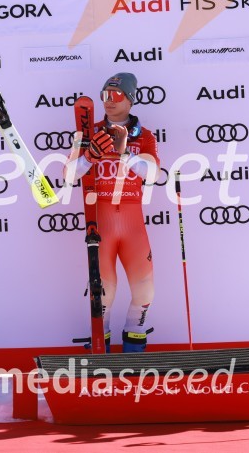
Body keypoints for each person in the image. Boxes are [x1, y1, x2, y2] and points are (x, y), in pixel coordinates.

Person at [67, 73, 160, 352]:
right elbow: (69, 175)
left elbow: (153, 174)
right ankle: (101, 349)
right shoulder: (88, 133)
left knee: (145, 291)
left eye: (116, 95)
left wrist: (125, 155)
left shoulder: (144, 136)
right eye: (105, 95)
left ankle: (134, 348)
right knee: (103, 295)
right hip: (103, 222)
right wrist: (88, 157)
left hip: (132, 224)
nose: (108, 101)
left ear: (130, 99)